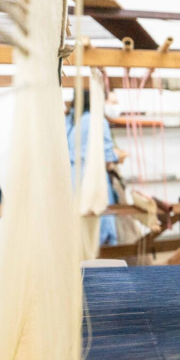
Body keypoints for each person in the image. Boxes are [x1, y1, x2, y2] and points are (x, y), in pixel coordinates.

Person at [67, 89, 120, 246]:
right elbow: (107, 160)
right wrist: (118, 156)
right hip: (92, 181)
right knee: (100, 234)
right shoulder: (97, 121)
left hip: (72, 181)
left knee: (81, 234)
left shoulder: (72, 122)